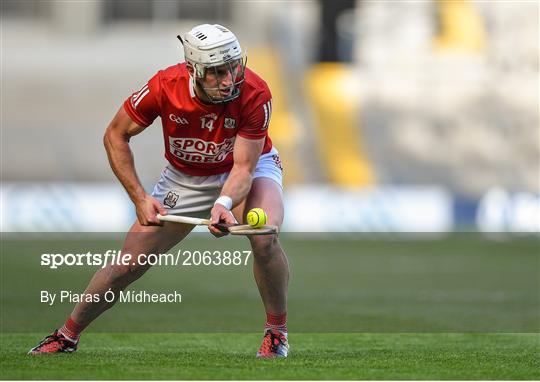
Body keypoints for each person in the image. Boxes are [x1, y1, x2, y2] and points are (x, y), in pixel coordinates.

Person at [28, 24, 290, 358]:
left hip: (245, 167)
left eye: (234, 67)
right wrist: (139, 197)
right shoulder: (165, 86)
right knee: (127, 265)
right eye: (217, 72)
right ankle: (66, 336)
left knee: (264, 235)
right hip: (185, 177)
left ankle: (276, 333)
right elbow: (115, 135)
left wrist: (224, 203)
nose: (229, 80)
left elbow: (244, 168)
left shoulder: (255, 92)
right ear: (194, 69)